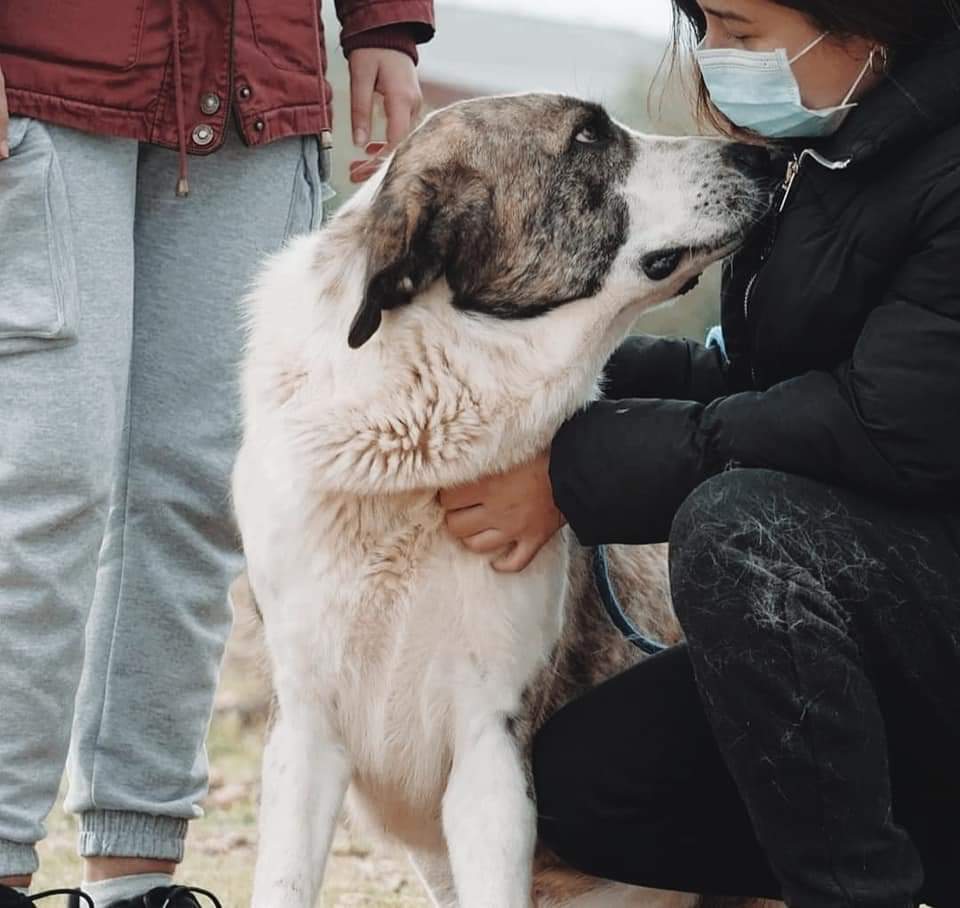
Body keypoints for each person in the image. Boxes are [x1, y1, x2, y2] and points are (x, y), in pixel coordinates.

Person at [439, 1, 960, 905]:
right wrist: (532, 382)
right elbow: (753, 377)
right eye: (705, 25)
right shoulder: (830, 151)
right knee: (583, 783)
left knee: (746, 532)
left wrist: (574, 474)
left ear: (867, 22)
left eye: (743, 31)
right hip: (902, 605)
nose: (717, 57)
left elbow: (887, 424)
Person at [0, 3, 433, 907]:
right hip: (46, 71)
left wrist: (383, 24)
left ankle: (136, 870)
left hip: (252, 90)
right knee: (43, 479)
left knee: (196, 491)